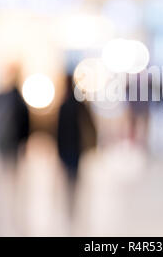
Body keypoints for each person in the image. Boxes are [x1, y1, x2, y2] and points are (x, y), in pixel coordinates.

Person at [0, 64, 30, 233]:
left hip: (0, 143)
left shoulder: (0, 97)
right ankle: (8, 201)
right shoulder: (17, 98)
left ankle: (0, 203)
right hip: (10, 144)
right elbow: (26, 124)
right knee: (10, 174)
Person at [57, 75, 96, 219]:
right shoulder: (79, 105)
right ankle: (72, 207)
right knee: (73, 178)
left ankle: (71, 207)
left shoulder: (65, 105)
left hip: (70, 149)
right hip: (75, 149)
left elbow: (59, 132)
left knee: (70, 178)